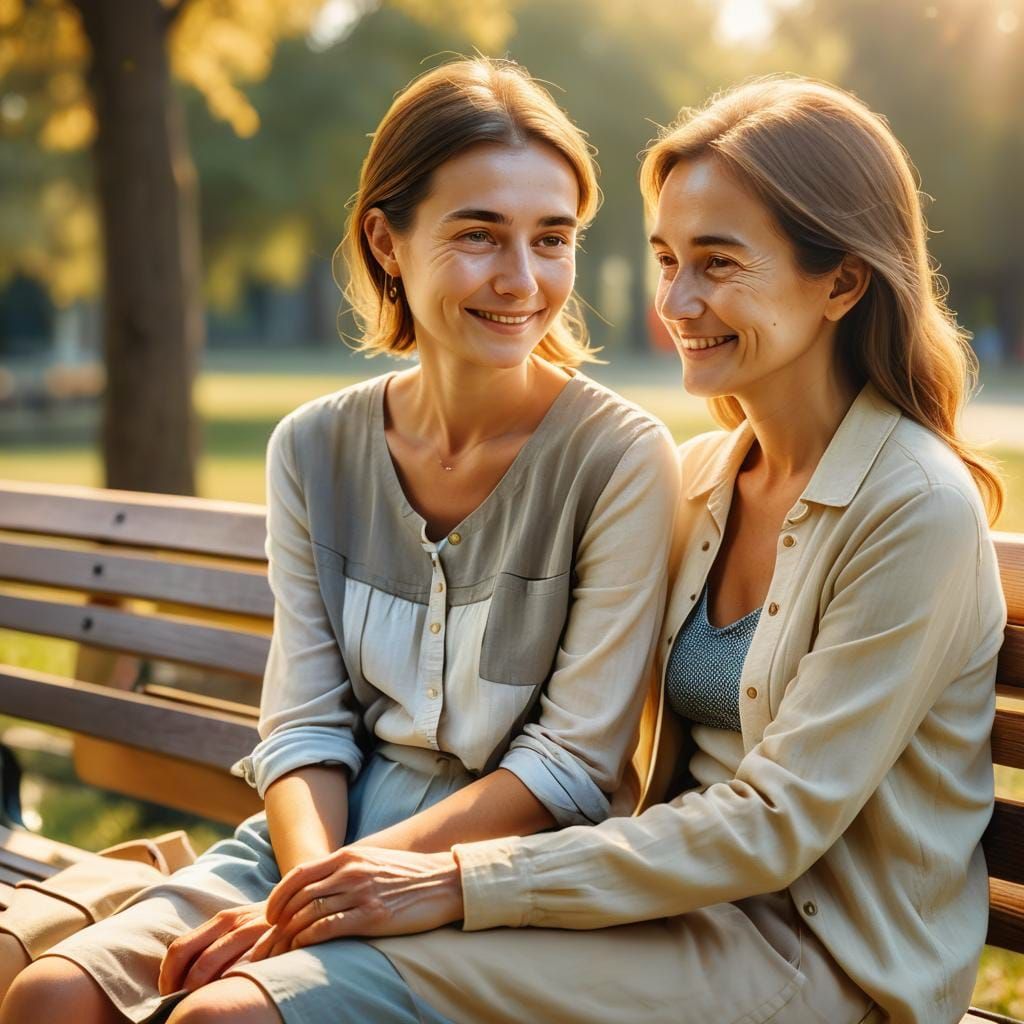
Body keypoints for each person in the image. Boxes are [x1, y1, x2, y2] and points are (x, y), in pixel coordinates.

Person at [225, 77, 1008, 1024]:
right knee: (239, 995)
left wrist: (459, 882)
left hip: (823, 964)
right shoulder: (703, 477)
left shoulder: (914, 506)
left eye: (718, 263)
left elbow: (774, 823)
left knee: (266, 1010)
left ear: (841, 281)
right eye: (666, 259)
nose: (676, 300)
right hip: (658, 913)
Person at [0, 58, 679, 1024]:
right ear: (386, 241)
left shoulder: (620, 460)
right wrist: (310, 889)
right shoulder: (313, 449)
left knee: (220, 1020)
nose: (523, 280)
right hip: (312, 843)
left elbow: (571, 767)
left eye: (552, 238)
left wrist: (338, 901)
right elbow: (306, 725)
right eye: (479, 235)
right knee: (49, 998)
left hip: (496, 879)